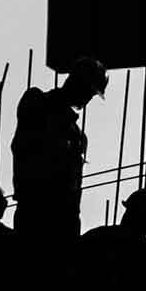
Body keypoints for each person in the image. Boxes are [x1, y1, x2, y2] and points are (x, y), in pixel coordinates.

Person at [10, 57, 108, 242]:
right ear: (78, 84)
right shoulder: (37, 101)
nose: (88, 99)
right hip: (37, 211)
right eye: (89, 92)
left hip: (66, 216)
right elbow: (33, 144)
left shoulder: (75, 131)